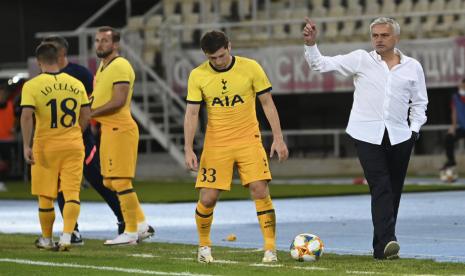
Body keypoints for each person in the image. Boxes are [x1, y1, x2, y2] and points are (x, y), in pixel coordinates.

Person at [303, 17, 428, 259]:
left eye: (384, 35)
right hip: (366, 135)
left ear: (396, 38)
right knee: (380, 186)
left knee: (393, 191)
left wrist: (414, 131)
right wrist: (311, 44)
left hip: (401, 135)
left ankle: (381, 248)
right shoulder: (361, 58)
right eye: (375, 35)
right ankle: (389, 240)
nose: (379, 40)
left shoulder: (413, 66)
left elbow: (420, 102)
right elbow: (321, 64)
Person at [184, 30, 289, 263]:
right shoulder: (197, 75)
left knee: (260, 190)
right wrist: (188, 149)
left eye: (221, 56)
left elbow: (267, 103)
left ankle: (270, 250)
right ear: (205, 55)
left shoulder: (251, 67)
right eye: (212, 58)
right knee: (208, 198)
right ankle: (204, 247)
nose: (218, 62)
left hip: (248, 140)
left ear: (229, 47)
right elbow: (192, 113)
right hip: (216, 144)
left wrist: (278, 137)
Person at [41, 35, 125, 244]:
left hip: (82, 139)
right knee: (62, 185)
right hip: (59, 142)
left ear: (60, 52)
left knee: (99, 180)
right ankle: (73, 230)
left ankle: (125, 221)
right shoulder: (44, 79)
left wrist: (83, 130)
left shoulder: (81, 74)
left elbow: (92, 104)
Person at [20, 43, 90, 251]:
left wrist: (26, 144)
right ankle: (67, 236)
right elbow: (86, 114)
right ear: (58, 59)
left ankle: (47, 239)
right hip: (73, 144)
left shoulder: (32, 86)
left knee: (46, 195)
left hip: (46, 147)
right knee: (72, 193)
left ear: (39, 61)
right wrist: (76, 132)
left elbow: (26, 116)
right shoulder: (76, 84)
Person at [90, 26, 153, 245]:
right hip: (108, 129)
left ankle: (131, 232)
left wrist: (91, 112)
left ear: (115, 44)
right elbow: (98, 96)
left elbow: (118, 101)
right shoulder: (103, 66)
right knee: (108, 181)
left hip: (120, 128)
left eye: (104, 41)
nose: (99, 44)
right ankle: (142, 225)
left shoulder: (120, 65)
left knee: (120, 180)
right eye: (97, 40)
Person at [441, 78, 465, 174]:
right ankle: (451, 161)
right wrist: (453, 127)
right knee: (449, 138)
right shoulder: (455, 97)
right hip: (463, 127)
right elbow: (454, 112)